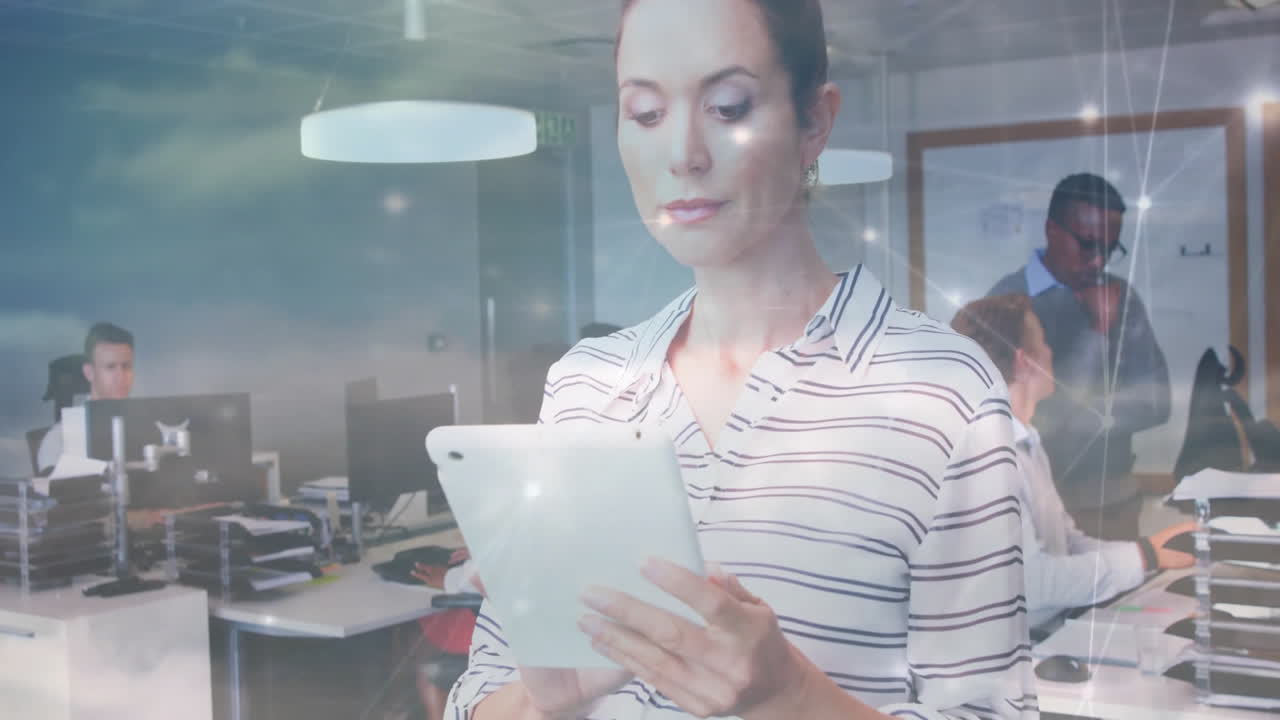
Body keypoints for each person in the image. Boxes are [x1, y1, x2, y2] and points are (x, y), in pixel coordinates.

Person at [446, 1, 1036, 718]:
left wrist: (789, 696)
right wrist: (547, 705)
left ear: (814, 121)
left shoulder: (943, 391)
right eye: (645, 113)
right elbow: (476, 700)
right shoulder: (586, 386)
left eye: (728, 106)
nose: (683, 154)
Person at [951, 295, 1195, 633]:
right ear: (1024, 362)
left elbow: (1067, 542)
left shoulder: (1025, 442)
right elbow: (1031, 585)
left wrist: (1151, 554)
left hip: (1046, 635)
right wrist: (1144, 556)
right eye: (1044, 343)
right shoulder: (986, 458)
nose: (1051, 353)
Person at [988, 173, 1170, 541]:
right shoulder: (1007, 302)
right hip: (1032, 507)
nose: (1098, 260)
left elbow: (1156, 404)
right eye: (1087, 245)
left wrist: (1073, 421)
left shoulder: (1123, 296)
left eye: (1109, 248)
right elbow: (1032, 420)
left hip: (1115, 503)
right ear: (1051, 231)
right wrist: (1099, 330)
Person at [36, 322, 135, 474]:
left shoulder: (147, 429)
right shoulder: (59, 440)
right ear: (89, 372)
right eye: (110, 367)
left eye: (126, 366)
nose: (120, 377)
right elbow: (55, 492)